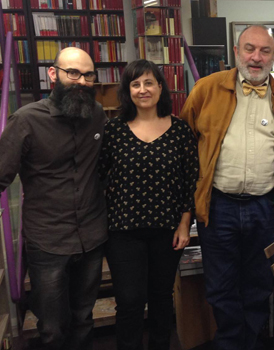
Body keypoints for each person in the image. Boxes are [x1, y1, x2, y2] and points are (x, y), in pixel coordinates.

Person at [0, 47, 106, 349]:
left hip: (92, 236)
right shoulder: (26, 120)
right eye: (73, 73)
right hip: (48, 241)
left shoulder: (96, 115)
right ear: (53, 74)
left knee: (84, 318)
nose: (81, 81)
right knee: (53, 329)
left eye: (88, 75)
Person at [180, 25, 274, 350]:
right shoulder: (206, 90)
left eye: (264, 51)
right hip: (218, 207)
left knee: (259, 284)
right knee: (221, 285)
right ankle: (231, 343)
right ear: (236, 52)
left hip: (265, 207)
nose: (256, 57)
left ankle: (249, 343)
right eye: (250, 49)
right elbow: (184, 145)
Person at [99, 59, 199, 350]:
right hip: (122, 232)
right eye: (135, 84)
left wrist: (184, 225)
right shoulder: (113, 131)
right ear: (127, 90)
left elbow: (190, 181)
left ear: (160, 87)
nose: (143, 89)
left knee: (161, 299)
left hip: (167, 231)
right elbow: (100, 177)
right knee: (129, 302)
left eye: (149, 83)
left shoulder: (180, 131)